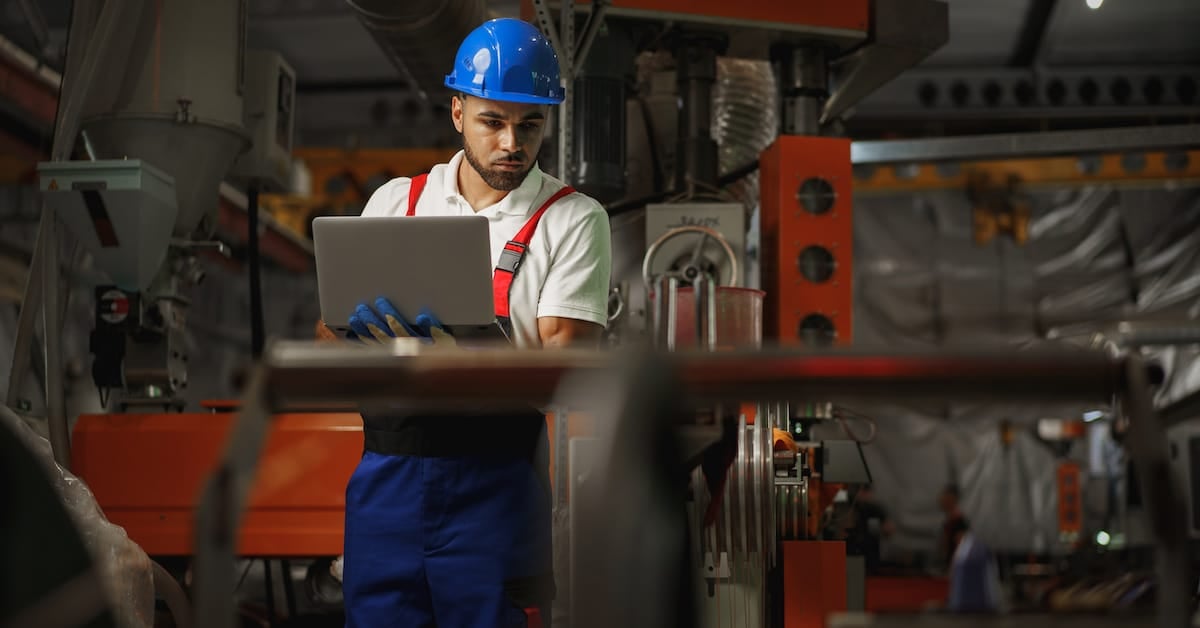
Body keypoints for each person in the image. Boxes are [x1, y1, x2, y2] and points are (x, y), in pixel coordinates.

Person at [316, 18, 613, 627]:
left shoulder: (573, 219)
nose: (513, 142)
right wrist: (357, 337)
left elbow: (566, 367)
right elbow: (327, 339)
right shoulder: (396, 203)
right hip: (385, 482)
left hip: (495, 490)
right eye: (494, 121)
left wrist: (474, 355)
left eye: (531, 125)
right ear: (457, 112)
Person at [844, 484, 894, 572]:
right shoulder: (850, 506)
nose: (864, 495)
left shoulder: (875, 509)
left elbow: (888, 529)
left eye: (866, 492)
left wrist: (881, 530)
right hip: (851, 548)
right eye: (861, 492)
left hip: (870, 551)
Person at [937, 483, 970, 569]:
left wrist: (953, 568)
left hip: (954, 569)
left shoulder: (959, 522)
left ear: (952, 499)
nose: (941, 500)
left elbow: (961, 548)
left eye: (944, 497)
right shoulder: (949, 520)